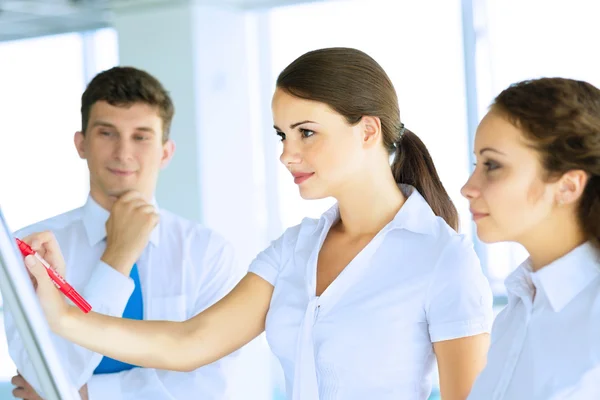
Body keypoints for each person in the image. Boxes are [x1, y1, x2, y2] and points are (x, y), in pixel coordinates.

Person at [21, 48, 493, 400]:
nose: (288, 154)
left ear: (368, 130)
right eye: (282, 135)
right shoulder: (294, 249)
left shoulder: (442, 258)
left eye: (306, 132)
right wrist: (61, 315)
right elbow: (189, 342)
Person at [5, 66, 246, 400]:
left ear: (165, 152)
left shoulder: (208, 252)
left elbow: (207, 384)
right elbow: (40, 372)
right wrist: (117, 258)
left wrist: (85, 394)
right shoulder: (30, 248)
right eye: (107, 133)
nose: (123, 153)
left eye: (141, 136)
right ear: (81, 144)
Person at [462, 77, 600, 399]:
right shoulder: (515, 312)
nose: (468, 187)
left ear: (567, 186)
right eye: (476, 163)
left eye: (492, 165)